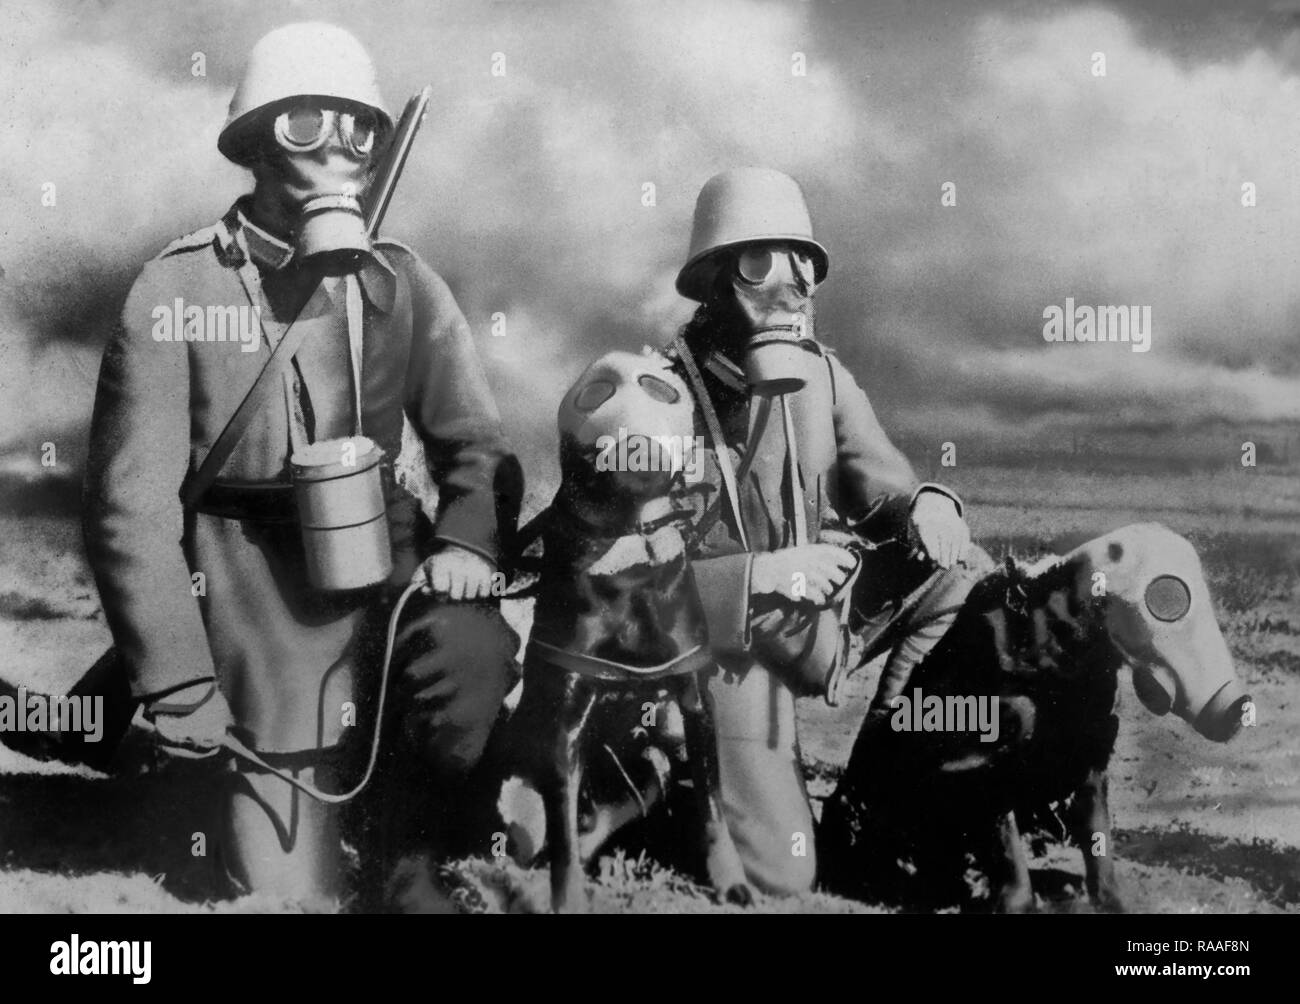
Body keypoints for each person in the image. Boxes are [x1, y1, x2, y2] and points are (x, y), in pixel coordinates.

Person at [56, 22, 520, 904]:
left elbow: (476, 444)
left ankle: (407, 826)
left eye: (361, 128)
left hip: (383, 562)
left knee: (466, 663)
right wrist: (182, 680)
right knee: (286, 890)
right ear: (257, 140)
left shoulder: (401, 283)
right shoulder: (177, 290)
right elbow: (130, 510)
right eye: (309, 124)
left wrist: (467, 546)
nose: (340, 148)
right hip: (245, 592)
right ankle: (181, 758)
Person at [664, 167, 985, 895]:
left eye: (803, 265)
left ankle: (869, 795)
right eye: (759, 264)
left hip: (820, 621)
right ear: (715, 282)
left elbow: (885, 492)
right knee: (785, 871)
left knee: (963, 571)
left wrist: (926, 506)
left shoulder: (823, 380)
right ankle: (661, 772)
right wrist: (759, 577)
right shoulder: (662, 395)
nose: (792, 286)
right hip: (723, 644)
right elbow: (627, 579)